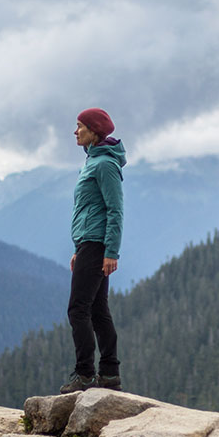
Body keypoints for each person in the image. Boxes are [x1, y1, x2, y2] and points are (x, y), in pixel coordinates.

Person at [60, 107, 125, 394]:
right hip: (90, 243)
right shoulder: (91, 162)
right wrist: (78, 247)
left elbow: (115, 210)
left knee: (78, 309)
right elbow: (88, 209)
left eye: (80, 126)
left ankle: (85, 374)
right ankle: (109, 374)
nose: (75, 132)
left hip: (98, 245)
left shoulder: (104, 165)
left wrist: (111, 251)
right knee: (98, 310)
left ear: (94, 131)